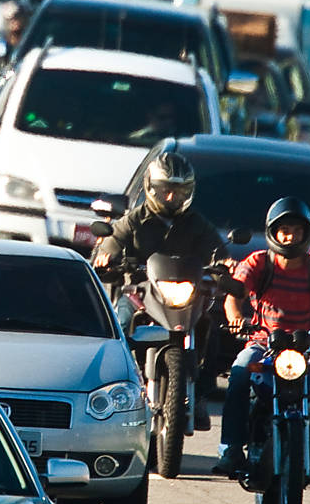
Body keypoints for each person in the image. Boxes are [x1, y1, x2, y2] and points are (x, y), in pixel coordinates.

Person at [213, 196, 310, 490]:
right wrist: (236, 318)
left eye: (296, 230)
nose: (290, 236)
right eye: (284, 229)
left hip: (304, 349)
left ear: (306, 233)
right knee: (238, 373)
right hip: (262, 344)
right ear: (273, 231)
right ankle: (231, 449)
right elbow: (235, 294)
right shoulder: (258, 261)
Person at [92, 152, 227, 430]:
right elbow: (109, 245)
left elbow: (219, 251)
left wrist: (225, 263)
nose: (171, 198)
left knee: (209, 326)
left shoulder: (197, 223)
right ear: (151, 188)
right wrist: (106, 258)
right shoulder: (133, 221)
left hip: (184, 296)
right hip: (140, 292)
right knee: (120, 323)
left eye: (179, 192)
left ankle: (200, 392)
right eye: (166, 190)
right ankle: (115, 388)